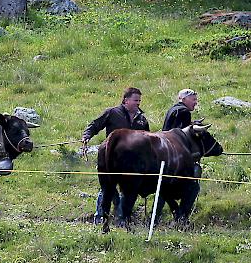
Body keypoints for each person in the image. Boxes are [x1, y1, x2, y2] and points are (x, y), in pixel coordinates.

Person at [81, 87, 150, 224]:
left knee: (128, 189)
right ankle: (100, 217)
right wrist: (86, 136)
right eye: (135, 100)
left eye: (139, 101)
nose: (138, 103)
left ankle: (121, 218)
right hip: (112, 156)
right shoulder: (113, 112)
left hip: (132, 162)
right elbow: (95, 124)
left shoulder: (141, 119)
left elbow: (147, 138)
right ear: (126, 100)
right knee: (107, 187)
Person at [163, 88, 202, 180]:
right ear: (184, 99)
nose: (195, 102)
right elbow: (182, 134)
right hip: (174, 151)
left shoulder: (173, 108)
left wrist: (191, 123)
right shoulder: (184, 111)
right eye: (193, 99)